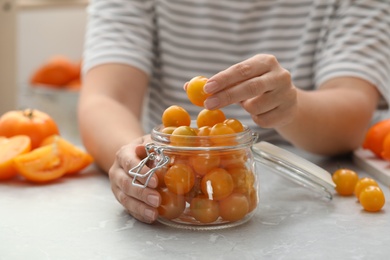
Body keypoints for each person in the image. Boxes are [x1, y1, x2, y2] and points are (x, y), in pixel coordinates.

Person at [78, 0, 390, 224]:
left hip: (308, 198)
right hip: (172, 176)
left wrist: (290, 107)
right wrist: (135, 155)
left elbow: (352, 114)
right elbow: (105, 99)